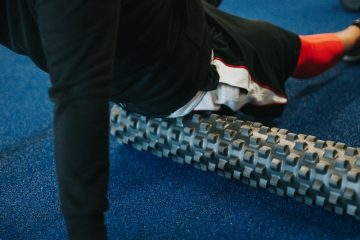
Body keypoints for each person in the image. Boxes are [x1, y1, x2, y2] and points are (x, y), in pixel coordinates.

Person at [1, 0, 360, 239]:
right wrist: (85, 229)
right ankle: (354, 36)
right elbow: (79, 102)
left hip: (159, 27)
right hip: (189, 75)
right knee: (285, 47)